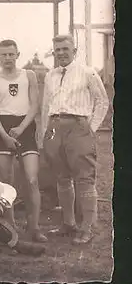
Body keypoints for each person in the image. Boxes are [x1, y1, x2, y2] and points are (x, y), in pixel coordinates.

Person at [40, 34, 109, 245]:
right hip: (54, 127)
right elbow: (45, 106)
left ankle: (87, 227)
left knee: (84, 178)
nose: (61, 53)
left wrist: (90, 128)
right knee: (62, 178)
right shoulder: (50, 75)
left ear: (74, 50)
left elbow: (102, 102)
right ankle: (68, 223)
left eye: (65, 49)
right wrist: (45, 132)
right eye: (57, 49)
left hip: (78, 126)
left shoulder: (88, 72)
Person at [0, 39, 47, 242]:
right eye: (4, 55)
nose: (8, 58)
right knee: (6, 183)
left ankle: (34, 227)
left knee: (31, 179)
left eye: (11, 54)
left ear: (17, 55)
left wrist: (21, 128)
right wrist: (4, 135)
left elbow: (34, 106)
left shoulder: (28, 75)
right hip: (3, 128)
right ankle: (10, 226)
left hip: (25, 127)